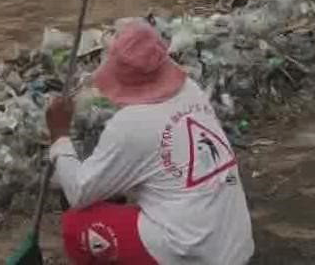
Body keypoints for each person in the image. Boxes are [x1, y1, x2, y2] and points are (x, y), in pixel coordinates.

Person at [45, 19, 254, 265]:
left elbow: (79, 193)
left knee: (76, 223)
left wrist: (59, 136)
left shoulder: (131, 125)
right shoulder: (190, 89)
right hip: (234, 246)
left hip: (193, 252)